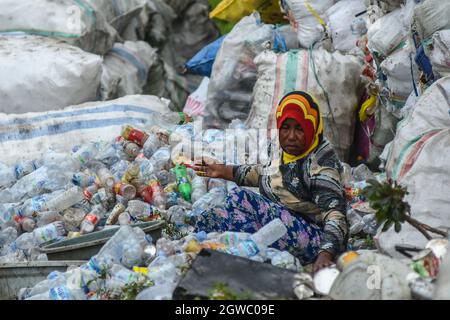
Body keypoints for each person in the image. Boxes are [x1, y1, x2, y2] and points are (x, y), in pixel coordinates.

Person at [193, 91, 348, 272]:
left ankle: (240, 263)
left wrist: (325, 254)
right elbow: (264, 174)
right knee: (212, 218)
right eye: (285, 127)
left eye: (299, 128)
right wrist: (223, 170)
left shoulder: (321, 167)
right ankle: (191, 249)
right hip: (280, 224)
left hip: (314, 240)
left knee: (240, 199)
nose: (291, 136)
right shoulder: (283, 151)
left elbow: (335, 215)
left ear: (311, 127)